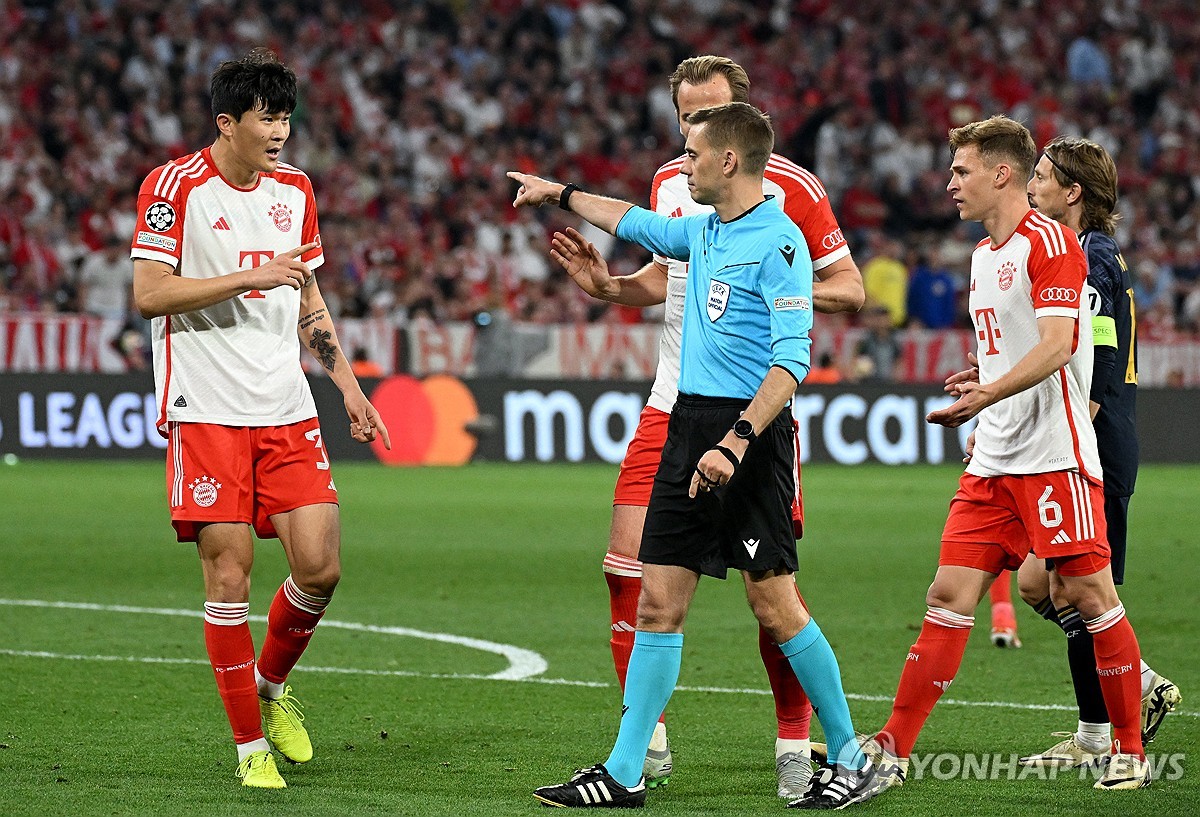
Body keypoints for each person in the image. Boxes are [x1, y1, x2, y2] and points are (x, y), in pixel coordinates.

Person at [510, 101, 886, 810]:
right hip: (687, 426)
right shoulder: (707, 231)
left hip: (750, 433)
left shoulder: (778, 244)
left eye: (691, 152)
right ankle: (625, 772)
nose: (680, 164)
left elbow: (791, 360)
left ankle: (849, 754)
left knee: (773, 603)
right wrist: (558, 195)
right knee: (658, 603)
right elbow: (634, 221)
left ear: (729, 161)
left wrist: (737, 440)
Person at [835, 116, 1151, 792]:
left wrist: (989, 395)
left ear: (1000, 173)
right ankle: (893, 746)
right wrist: (984, 378)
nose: (950, 183)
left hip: (1053, 454)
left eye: (961, 171)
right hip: (994, 458)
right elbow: (1017, 344)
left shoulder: (1055, 244)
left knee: (1092, 596)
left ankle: (1129, 746)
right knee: (948, 593)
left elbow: (1062, 343)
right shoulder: (981, 256)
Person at [130, 48, 390, 789]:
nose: (279, 132)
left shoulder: (295, 190)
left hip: (284, 404)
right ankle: (249, 745)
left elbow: (307, 298)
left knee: (321, 564)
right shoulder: (173, 186)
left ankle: (271, 688)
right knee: (230, 576)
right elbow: (149, 293)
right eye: (266, 118)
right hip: (205, 409)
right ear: (227, 122)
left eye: (285, 118)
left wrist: (347, 383)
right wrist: (249, 275)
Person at [1012, 135, 1180, 767]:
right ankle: (1132, 684)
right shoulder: (1076, 251)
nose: (1032, 185)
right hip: (1084, 441)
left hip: (1096, 447)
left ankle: (1097, 737)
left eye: (1043, 177)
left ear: (1072, 193)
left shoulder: (1093, 254)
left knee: (1077, 590)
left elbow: (1101, 360)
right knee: (1039, 584)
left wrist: (1074, 433)